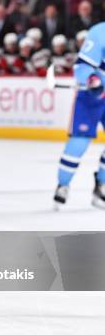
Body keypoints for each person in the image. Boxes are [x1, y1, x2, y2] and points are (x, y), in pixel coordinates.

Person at [53, 22, 105, 210]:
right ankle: (63, 185)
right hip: (91, 97)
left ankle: (101, 186)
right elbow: (82, 67)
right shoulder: (100, 32)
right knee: (79, 143)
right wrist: (92, 79)